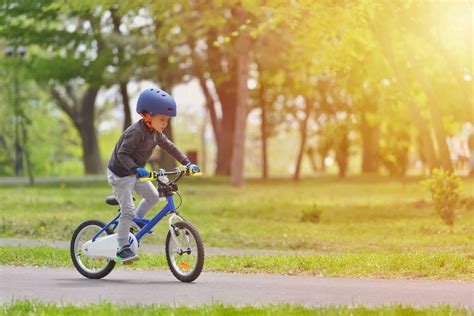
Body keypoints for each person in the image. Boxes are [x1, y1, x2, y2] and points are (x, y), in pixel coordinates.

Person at [107, 88, 200, 262]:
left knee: (153, 196)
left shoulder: (156, 134)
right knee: (127, 210)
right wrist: (135, 169)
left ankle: (135, 222)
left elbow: (170, 147)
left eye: (167, 120)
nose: (165, 123)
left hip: (135, 172)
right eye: (162, 119)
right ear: (147, 116)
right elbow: (122, 154)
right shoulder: (136, 132)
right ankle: (122, 248)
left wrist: (187, 162)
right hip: (120, 174)